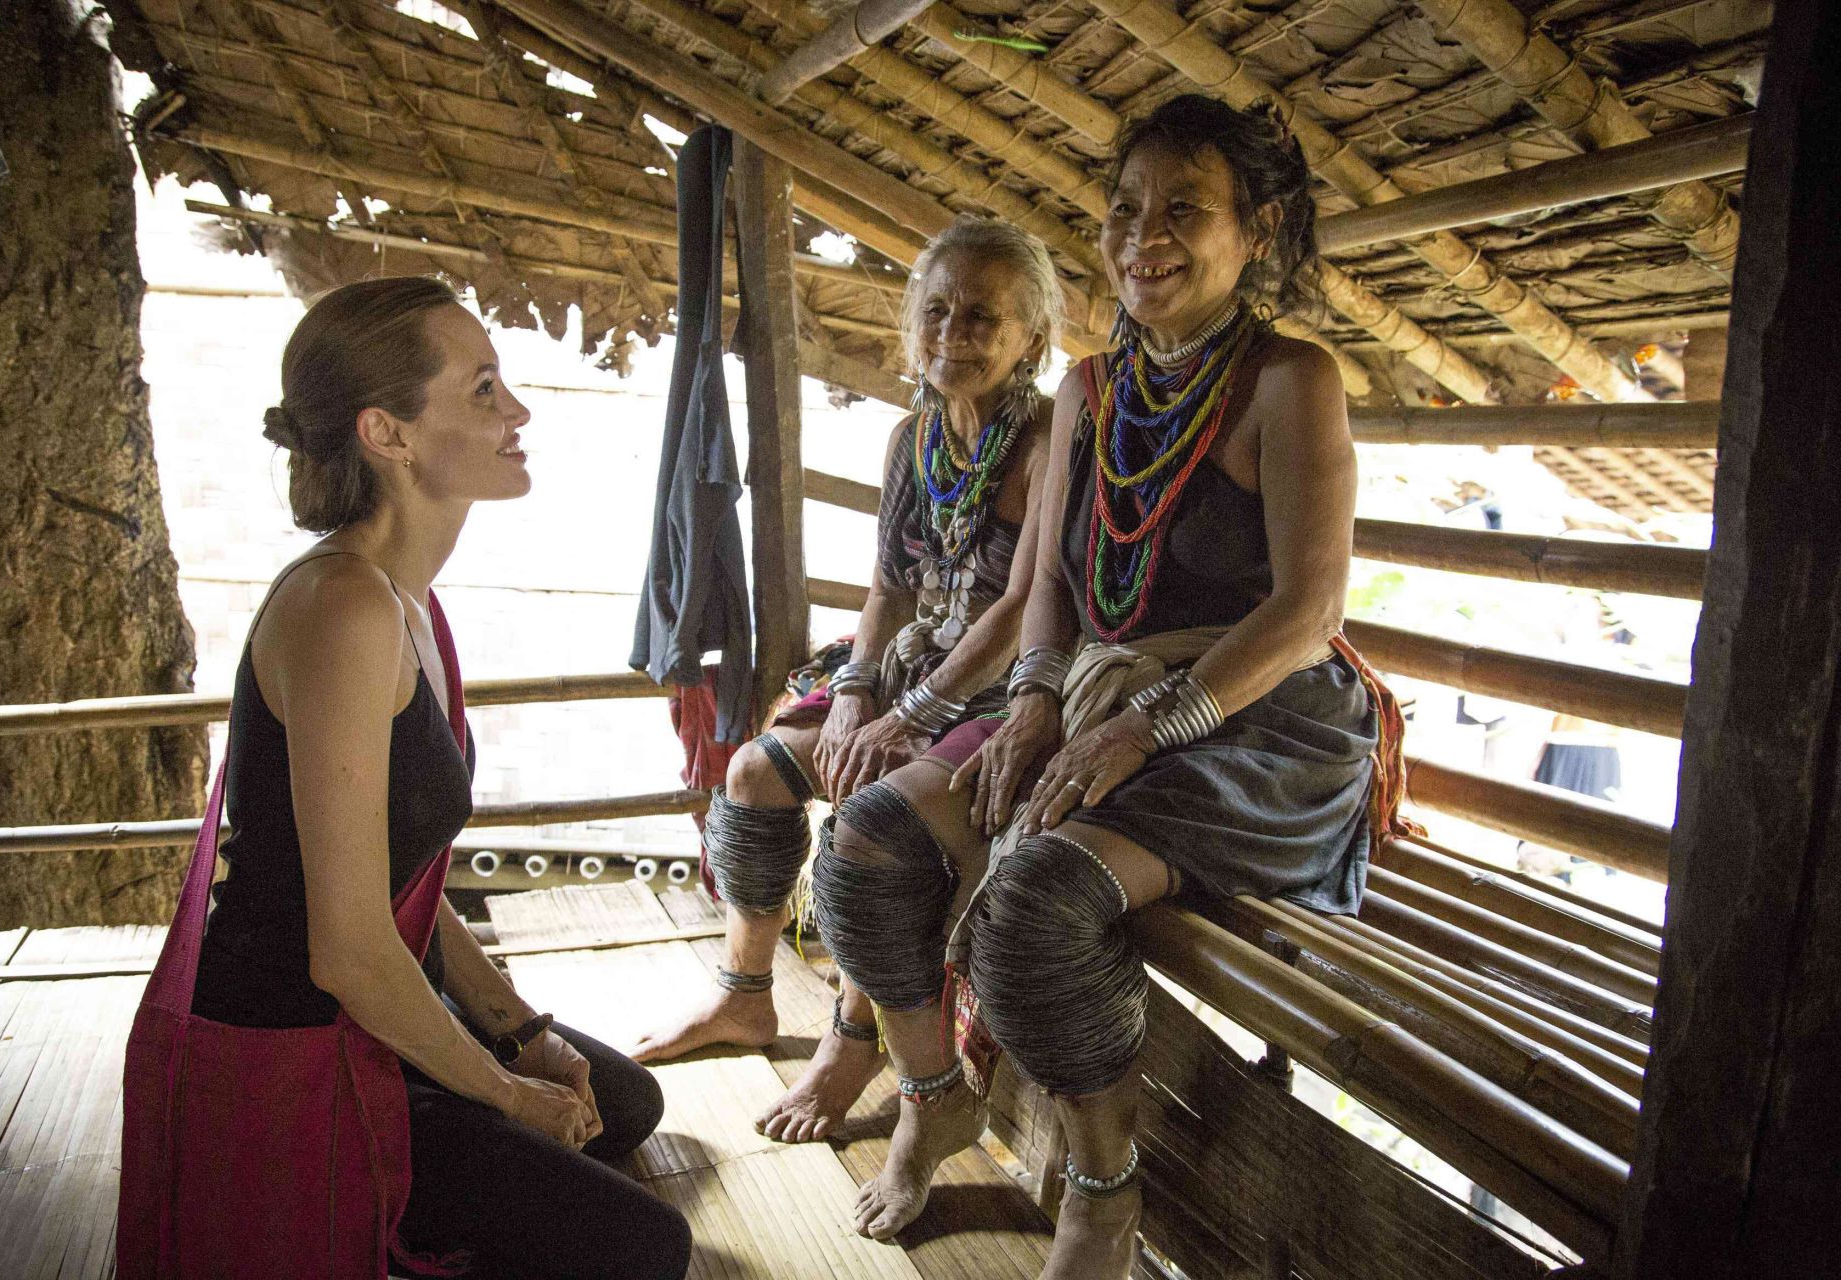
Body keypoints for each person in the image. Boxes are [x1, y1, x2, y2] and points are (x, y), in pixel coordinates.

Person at [810, 95, 1384, 1279]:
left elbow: (1306, 612)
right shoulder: (1086, 388)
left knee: (1033, 910)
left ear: (1257, 231)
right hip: (1089, 703)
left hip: (1253, 725)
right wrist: (1028, 703)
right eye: (1126, 210)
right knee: (863, 846)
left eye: (1185, 210)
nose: (1141, 237)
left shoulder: (1292, 379)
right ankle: (933, 1094)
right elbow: (1059, 577)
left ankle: (1102, 1184)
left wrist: (1142, 725)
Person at [155, 277, 690, 1279]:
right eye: (484, 388)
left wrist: (517, 1025)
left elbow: (405, 879)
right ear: (387, 433)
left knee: (624, 1101)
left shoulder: (409, 604)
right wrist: (501, 1085)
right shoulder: (342, 610)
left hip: (377, 984)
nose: (518, 411)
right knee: (646, 1248)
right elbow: (351, 947)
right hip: (298, 1033)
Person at [628, 216, 1064, 1145]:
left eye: (983, 317)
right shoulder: (914, 440)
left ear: (1033, 337)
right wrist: (861, 691)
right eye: (937, 312)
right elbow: (890, 585)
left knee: (871, 811)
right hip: (909, 676)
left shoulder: (1047, 440)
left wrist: (910, 714)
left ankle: (852, 1039)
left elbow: (1025, 599)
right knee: (752, 773)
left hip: (1004, 687)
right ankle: (745, 997)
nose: (953, 335)